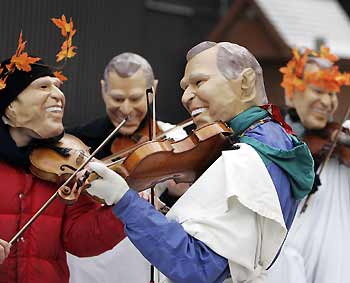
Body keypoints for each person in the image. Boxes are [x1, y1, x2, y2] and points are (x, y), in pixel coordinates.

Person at [82, 41, 315, 283]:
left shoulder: (245, 161)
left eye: (199, 82)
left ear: (245, 83)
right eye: (185, 87)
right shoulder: (273, 143)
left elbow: (198, 267)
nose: (186, 97)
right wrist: (161, 214)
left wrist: (124, 199)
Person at [0, 58, 125, 283]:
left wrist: (125, 208)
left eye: (58, 86)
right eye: (43, 86)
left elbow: (79, 241)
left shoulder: (63, 168)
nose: (58, 94)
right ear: (10, 108)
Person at [67, 52, 187, 283]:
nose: (126, 109)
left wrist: (175, 193)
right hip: (89, 269)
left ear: (153, 89)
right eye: (118, 98)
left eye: (135, 99)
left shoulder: (174, 137)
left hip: (142, 268)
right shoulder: (78, 141)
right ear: (103, 89)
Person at [265, 46, 350, 283]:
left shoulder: (341, 140)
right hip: (281, 258)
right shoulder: (272, 138)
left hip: (333, 259)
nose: (327, 101)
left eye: (332, 93)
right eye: (318, 91)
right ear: (291, 94)